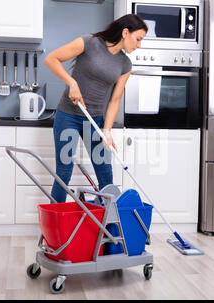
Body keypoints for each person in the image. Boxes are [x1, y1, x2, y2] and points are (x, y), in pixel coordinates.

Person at [44, 14, 148, 203]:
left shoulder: (125, 64)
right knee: (64, 171)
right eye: (138, 39)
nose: (139, 45)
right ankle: (55, 227)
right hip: (68, 116)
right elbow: (51, 59)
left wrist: (106, 130)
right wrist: (71, 82)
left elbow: (115, 100)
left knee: (105, 174)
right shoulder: (90, 42)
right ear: (125, 33)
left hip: (95, 120)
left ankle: (107, 228)